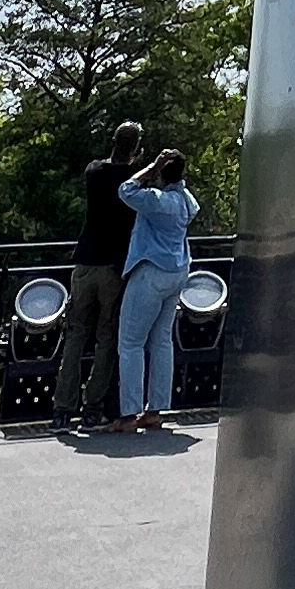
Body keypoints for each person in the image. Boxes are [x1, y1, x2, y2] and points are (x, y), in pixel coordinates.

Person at [57, 121, 145, 430]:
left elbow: (104, 166)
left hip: (84, 262)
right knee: (106, 338)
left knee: (75, 336)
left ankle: (62, 408)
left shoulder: (93, 171)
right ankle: (92, 407)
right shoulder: (131, 183)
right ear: (136, 149)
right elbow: (134, 185)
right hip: (113, 267)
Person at [115, 145, 195, 430]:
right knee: (161, 341)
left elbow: (126, 190)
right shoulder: (186, 201)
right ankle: (156, 409)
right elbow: (192, 206)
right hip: (178, 270)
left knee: (131, 342)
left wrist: (152, 167)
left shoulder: (158, 200)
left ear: (163, 171)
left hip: (151, 271)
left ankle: (129, 413)